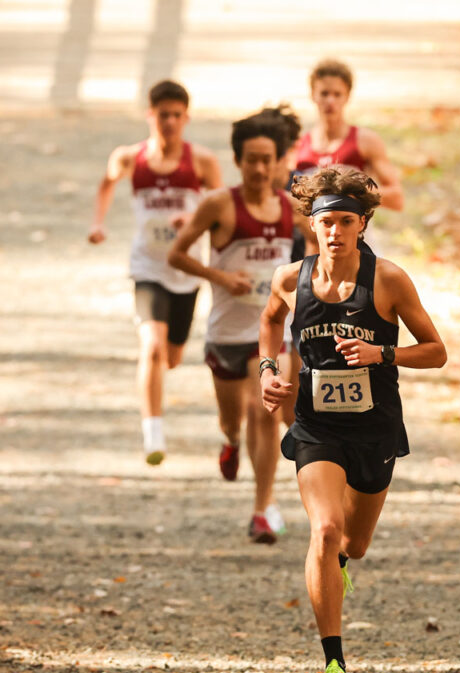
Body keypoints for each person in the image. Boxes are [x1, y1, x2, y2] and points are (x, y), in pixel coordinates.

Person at [258, 167, 447, 673]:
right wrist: (268, 371)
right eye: (326, 222)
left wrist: (380, 352)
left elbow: (436, 352)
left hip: (375, 428)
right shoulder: (290, 280)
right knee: (325, 529)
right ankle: (334, 666)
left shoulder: (387, 280)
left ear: (363, 224)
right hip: (316, 426)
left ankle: (338, 566)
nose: (335, 231)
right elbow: (269, 323)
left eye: (346, 221)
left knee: (353, 545)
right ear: (311, 225)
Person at [167, 109, 309, 543]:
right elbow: (177, 255)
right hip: (226, 333)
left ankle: (263, 508)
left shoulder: (290, 208)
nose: (260, 169)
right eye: (252, 160)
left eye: (268, 160)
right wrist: (222, 277)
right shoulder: (219, 205)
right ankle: (229, 441)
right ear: (238, 160)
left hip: (271, 332)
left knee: (262, 410)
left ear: (278, 161)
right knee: (233, 419)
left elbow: (320, 249)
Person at [88, 79, 223, 465]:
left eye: (177, 115)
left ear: (186, 118)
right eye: (163, 115)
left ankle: (157, 388)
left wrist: (193, 219)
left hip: (186, 271)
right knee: (151, 347)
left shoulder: (202, 162)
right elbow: (106, 184)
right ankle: (153, 433)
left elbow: (222, 208)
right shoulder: (129, 158)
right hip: (148, 267)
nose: (170, 122)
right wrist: (98, 223)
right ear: (150, 115)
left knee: (172, 357)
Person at [287, 59, 404, 261]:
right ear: (313, 95)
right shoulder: (299, 147)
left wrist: (351, 192)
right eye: (324, 93)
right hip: (314, 251)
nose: (330, 101)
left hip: (358, 246)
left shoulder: (365, 141)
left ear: (347, 96)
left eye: (337, 94)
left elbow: (396, 198)